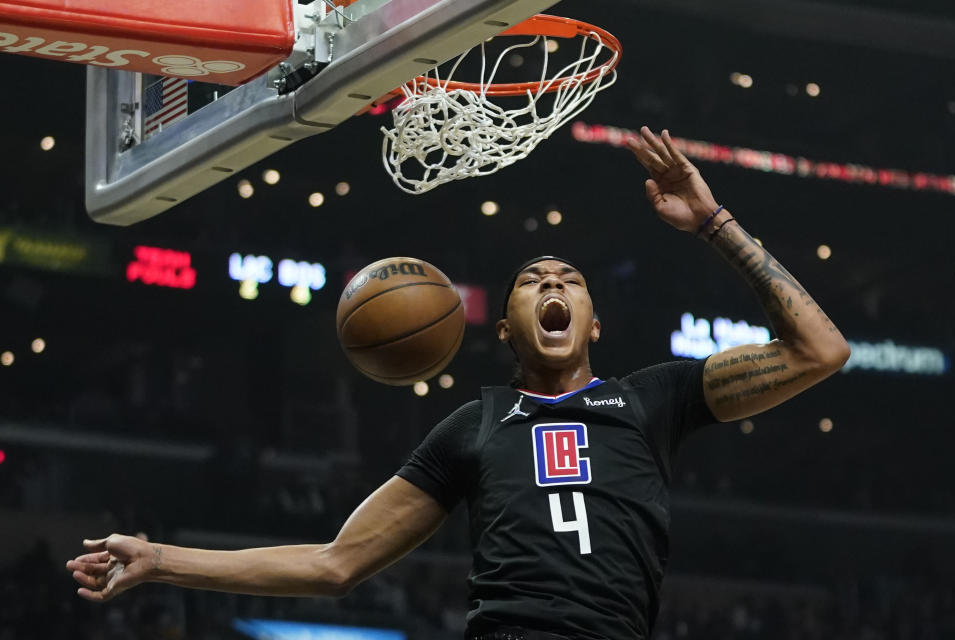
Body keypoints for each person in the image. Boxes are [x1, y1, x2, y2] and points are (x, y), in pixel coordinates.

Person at [66, 127, 850, 640]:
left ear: (594, 321)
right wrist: (161, 559)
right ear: (504, 328)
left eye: (569, 279)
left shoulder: (654, 399)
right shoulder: (474, 426)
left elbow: (820, 350)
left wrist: (714, 222)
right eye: (531, 279)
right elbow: (336, 563)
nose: (552, 282)